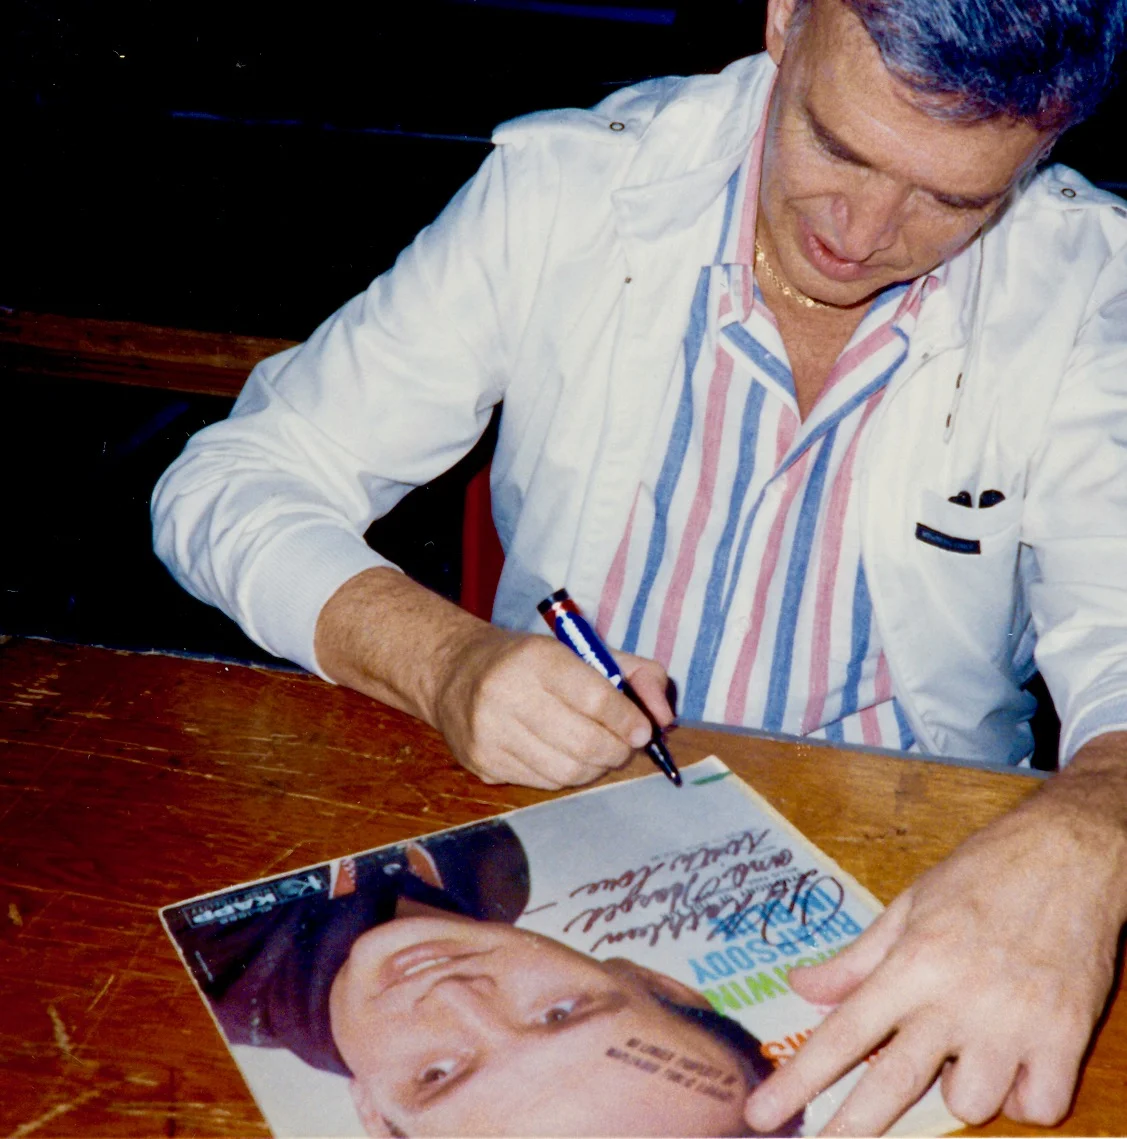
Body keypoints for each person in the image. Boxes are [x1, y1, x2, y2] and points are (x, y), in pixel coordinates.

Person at [152, 0, 1127, 1132]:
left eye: (951, 199)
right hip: (555, 810)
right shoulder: (567, 193)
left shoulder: (1087, 283)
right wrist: (444, 660)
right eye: (837, 146)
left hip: (925, 857)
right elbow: (231, 479)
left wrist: (1089, 822)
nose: (861, 232)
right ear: (784, 19)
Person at [168, 822, 798, 1138]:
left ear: (375, 1116)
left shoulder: (184, 975)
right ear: (654, 983)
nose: (455, 996)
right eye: (559, 1014)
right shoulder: (499, 864)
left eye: (437, 1075)